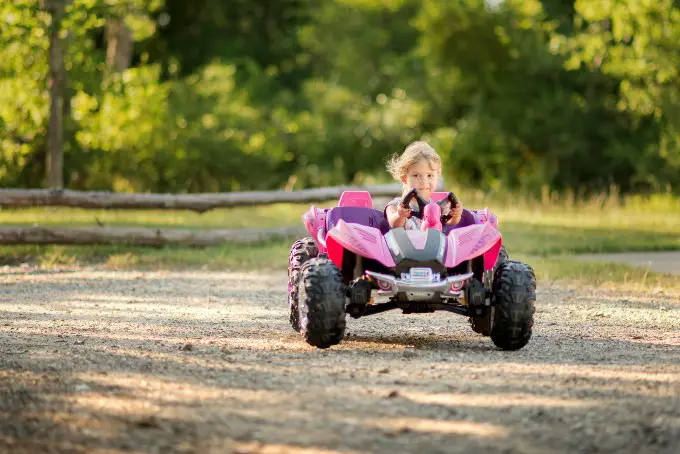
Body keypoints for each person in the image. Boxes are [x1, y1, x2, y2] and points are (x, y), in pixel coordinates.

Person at [384, 141, 463, 230]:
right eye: (416, 175)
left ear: (437, 177)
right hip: (403, 243)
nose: (424, 181)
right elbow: (394, 223)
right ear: (404, 178)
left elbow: (451, 221)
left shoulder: (437, 207)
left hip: (433, 243)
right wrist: (400, 215)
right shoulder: (394, 206)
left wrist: (456, 214)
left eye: (429, 175)